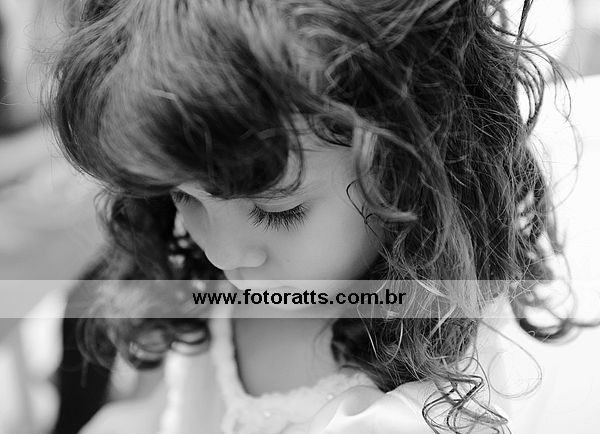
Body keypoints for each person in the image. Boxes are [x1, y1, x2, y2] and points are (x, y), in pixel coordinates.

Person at [46, 0, 586, 432]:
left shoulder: (429, 400)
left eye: (277, 210)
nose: (224, 252)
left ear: (408, 161)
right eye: (183, 197)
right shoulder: (214, 280)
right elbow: (174, 403)